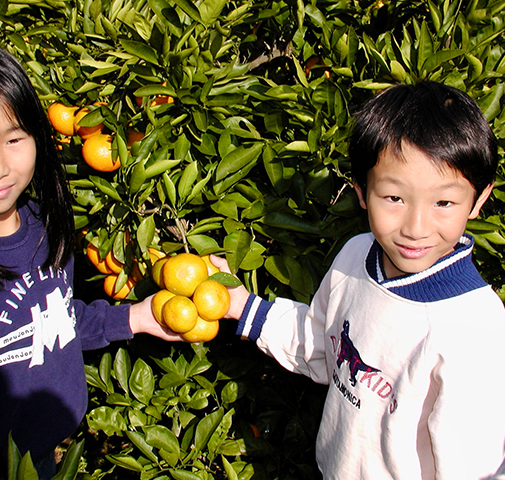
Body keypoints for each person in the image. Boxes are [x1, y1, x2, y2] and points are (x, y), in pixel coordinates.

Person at [0, 40, 180, 479]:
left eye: (14, 138)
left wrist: (133, 318)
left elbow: (54, 316)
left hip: (44, 462)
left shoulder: (43, 227)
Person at [213, 82, 505, 479]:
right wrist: (239, 305)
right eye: (394, 198)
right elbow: (319, 342)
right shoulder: (356, 256)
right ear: (363, 193)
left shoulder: (475, 327)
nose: (416, 228)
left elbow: (472, 464)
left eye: (443, 203)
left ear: (479, 200)